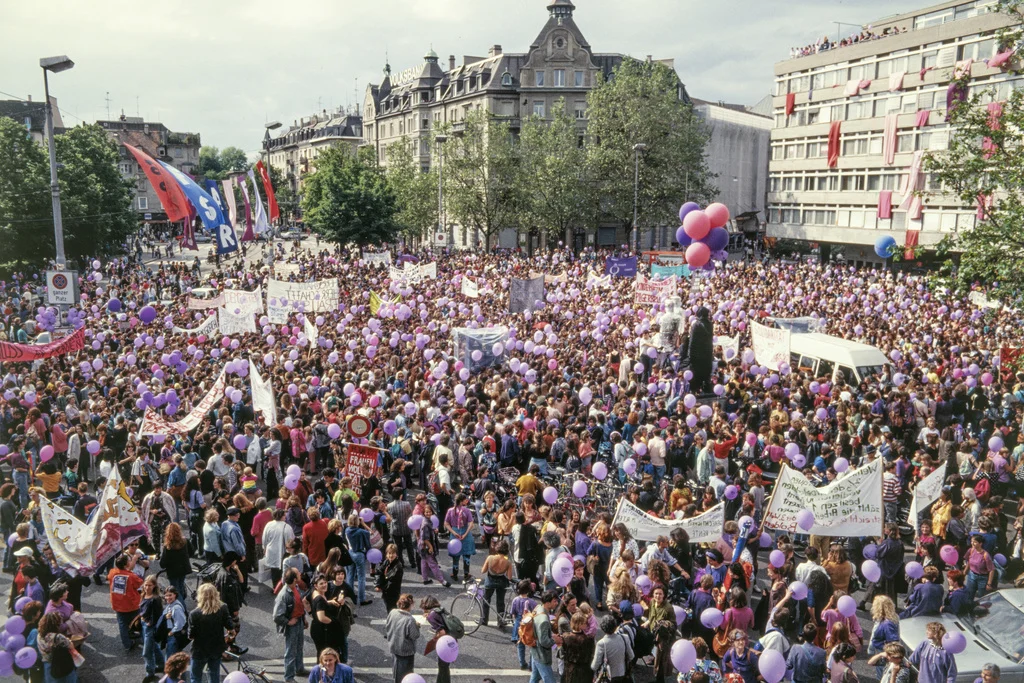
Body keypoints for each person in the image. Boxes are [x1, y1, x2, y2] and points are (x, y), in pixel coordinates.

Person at [188, 583, 233, 683]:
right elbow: (230, 626)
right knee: (214, 675)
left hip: (199, 650)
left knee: (195, 677)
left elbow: (191, 636)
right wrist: (228, 636)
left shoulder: (194, 614)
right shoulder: (223, 608)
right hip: (216, 648)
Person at [273, 568, 309, 683]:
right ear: (294, 579)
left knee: (299, 646)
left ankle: (299, 668)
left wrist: (303, 619)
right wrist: (288, 622)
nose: (300, 574)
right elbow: (276, 616)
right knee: (291, 651)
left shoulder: (295, 588)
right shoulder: (284, 595)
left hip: (298, 621)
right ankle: (289, 677)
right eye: (298, 574)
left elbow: (299, 605)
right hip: (292, 625)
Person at [108, 553, 143, 653]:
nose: (129, 562)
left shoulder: (112, 573)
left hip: (118, 604)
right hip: (131, 604)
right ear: (125, 565)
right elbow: (139, 583)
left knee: (122, 624)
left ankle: (127, 644)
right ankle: (140, 637)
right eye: (128, 561)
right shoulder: (131, 576)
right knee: (137, 621)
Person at [528, 590, 562, 683]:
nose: (557, 603)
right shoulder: (544, 620)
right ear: (547, 603)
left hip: (535, 652)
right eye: (554, 601)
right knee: (550, 681)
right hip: (541, 655)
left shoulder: (539, 608)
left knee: (534, 678)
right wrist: (554, 640)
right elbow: (544, 642)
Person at [384, 593, 420, 683]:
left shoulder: (392, 612)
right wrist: (417, 626)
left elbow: (387, 625)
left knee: (396, 669)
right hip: (405, 651)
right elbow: (415, 635)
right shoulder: (409, 619)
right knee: (405, 675)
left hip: (394, 646)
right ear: (410, 605)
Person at [309, 573, 344, 658]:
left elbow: (306, 601)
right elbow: (322, 618)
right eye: (321, 583)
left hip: (317, 627)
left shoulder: (315, 593)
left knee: (322, 653)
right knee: (325, 655)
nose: (324, 585)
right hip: (322, 630)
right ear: (316, 586)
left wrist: (329, 602)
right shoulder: (320, 599)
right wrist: (333, 622)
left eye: (325, 583)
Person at [480, 539, 513, 627]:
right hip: (501, 582)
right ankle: (500, 621)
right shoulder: (508, 562)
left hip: (490, 581)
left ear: (497, 548)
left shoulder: (490, 558)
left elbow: (483, 571)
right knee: (500, 602)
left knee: (486, 600)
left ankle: (484, 619)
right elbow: (509, 577)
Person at [591, 614, 633, 683]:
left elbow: (595, 665)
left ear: (602, 628)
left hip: (608, 676)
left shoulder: (601, 643)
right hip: (623, 673)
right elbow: (631, 656)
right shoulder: (625, 638)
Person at [444, 493, 476, 582]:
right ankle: (466, 574)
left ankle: (455, 575)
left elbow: (446, 523)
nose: (467, 501)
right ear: (462, 501)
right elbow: (471, 524)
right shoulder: (467, 510)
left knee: (456, 556)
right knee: (466, 556)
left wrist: (454, 532)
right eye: (465, 499)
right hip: (466, 534)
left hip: (455, 535)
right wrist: (465, 534)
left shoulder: (450, 511)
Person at [140, 575, 167, 681]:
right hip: (144, 625)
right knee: (154, 647)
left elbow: (158, 615)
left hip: (150, 627)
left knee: (146, 652)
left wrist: (150, 623)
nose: (147, 587)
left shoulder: (155, 599)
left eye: (149, 585)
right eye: (145, 585)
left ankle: (150, 672)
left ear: (154, 586)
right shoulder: (143, 595)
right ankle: (161, 664)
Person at [868, 596, 901, 680]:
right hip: (884, 651)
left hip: (884, 652)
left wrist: (888, 655)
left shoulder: (887, 624)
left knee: (883, 676)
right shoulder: (891, 618)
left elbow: (893, 641)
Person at [261, 508, 295, 587]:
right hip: (283, 552)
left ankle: (275, 587)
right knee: (284, 570)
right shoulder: (287, 527)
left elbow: (264, 538)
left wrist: (264, 548)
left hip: (271, 551)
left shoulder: (268, 525)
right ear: (282, 516)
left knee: (274, 571)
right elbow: (291, 541)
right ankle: (283, 586)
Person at [344, 514, 372, 606]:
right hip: (359, 554)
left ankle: (350, 597)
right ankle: (362, 598)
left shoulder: (347, 530)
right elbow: (370, 533)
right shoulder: (361, 532)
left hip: (350, 552)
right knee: (361, 577)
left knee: (350, 575)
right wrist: (363, 524)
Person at [160, 523, 191, 606]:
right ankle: (182, 604)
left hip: (173, 571)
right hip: (183, 569)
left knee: (175, 591)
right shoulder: (184, 541)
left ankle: (182, 608)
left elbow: (163, 563)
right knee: (180, 587)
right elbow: (191, 551)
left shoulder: (168, 546)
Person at [561, 611, 595, 683]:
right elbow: (591, 655)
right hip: (584, 671)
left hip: (569, 670)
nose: (587, 624)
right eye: (585, 623)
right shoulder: (588, 639)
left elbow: (562, 653)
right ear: (579, 624)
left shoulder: (565, 637)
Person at [376, 543, 404, 613]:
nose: (391, 555)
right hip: (386, 592)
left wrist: (381, 587)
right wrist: (377, 584)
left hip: (393, 593)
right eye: (389, 553)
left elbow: (392, 582)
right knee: (389, 608)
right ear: (386, 554)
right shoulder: (386, 562)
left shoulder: (398, 567)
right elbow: (379, 572)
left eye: (393, 553)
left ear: (396, 554)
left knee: (392, 610)